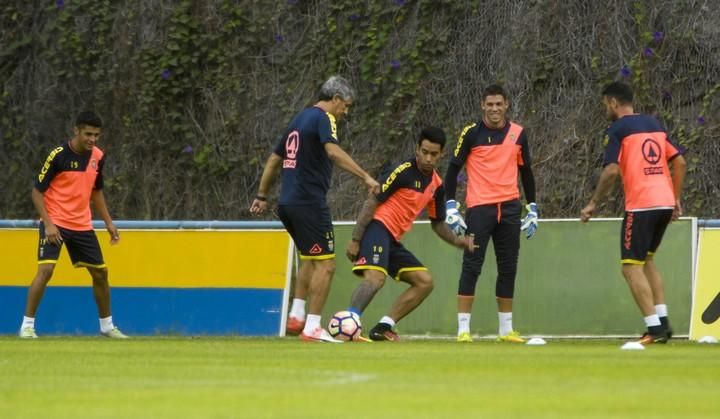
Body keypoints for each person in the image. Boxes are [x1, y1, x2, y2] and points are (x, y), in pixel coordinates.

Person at [250, 76, 380, 342]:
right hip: (308, 202)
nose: (346, 111)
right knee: (328, 265)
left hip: (287, 203)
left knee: (311, 257)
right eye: (346, 105)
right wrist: (365, 176)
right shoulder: (324, 118)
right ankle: (312, 327)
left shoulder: (299, 119)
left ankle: (297, 315)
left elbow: (275, 158)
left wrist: (262, 195)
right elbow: (332, 151)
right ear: (335, 99)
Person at [581, 81, 687, 345]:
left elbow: (611, 171)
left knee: (630, 267)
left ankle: (653, 329)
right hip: (664, 202)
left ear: (613, 103)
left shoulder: (617, 129)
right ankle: (662, 322)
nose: (606, 108)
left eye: (605, 104)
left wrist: (594, 202)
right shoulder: (653, 124)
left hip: (641, 205)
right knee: (646, 260)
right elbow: (680, 161)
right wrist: (675, 198)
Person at [346, 127, 474, 341]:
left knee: (424, 282)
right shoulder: (402, 170)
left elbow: (438, 223)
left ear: (441, 154)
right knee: (376, 279)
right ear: (417, 149)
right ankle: (349, 324)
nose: (428, 158)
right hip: (377, 228)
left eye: (434, 154)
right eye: (424, 151)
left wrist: (458, 241)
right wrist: (355, 239)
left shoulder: (436, 185)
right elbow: (372, 201)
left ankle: (383, 327)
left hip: (393, 239)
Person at [19, 111, 127, 339]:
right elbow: (37, 193)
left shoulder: (98, 156)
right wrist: (48, 224)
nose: (92, 139)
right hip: (55, 221)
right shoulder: (58, 155)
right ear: (76, 130)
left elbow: (96, 191)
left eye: (96, 135)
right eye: (88, 134)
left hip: (81, 224)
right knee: (46, 270)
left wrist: (108, 222)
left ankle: (107, 326)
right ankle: (27, 326)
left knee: (101, 273)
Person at [444, 84, 538, 343]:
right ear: (482, 105)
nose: (495, 109)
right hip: (479, 210)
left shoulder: (518, 133)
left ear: (507, 104)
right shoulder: (471, 133)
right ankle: (463, 330)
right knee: (472, 265)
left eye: (499, 104)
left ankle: (505, 331)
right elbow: (452, 169)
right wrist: (450, 205)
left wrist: (532, 207)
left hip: (509, 209)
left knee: (508, 268)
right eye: (490, 104)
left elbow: (526, 171)